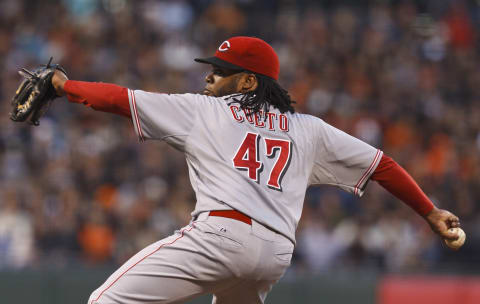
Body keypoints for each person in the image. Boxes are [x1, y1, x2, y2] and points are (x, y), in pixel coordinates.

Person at [51, 36, 461, 304]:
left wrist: (61, 86)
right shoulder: (308, 129)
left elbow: (119, 99)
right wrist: (429, 212)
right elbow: (381, 165)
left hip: (220, 236)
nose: (209, 75)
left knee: (106, 302)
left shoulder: (204, 111)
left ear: (248, 82)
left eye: (221, 70)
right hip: (275, 252)